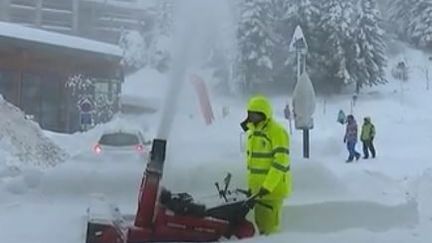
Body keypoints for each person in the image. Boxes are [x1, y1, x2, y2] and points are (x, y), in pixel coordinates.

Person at [240, 95, 292, 235]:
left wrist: (267, 186)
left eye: (254, 114)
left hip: (272, 191)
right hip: (258, 192)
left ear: (263, 114)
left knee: (269, 230)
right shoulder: (253, 133)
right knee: (261, 227)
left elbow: (281, 162)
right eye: (249, 113)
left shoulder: (276, 132)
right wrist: (253, 188)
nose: (251, 117)